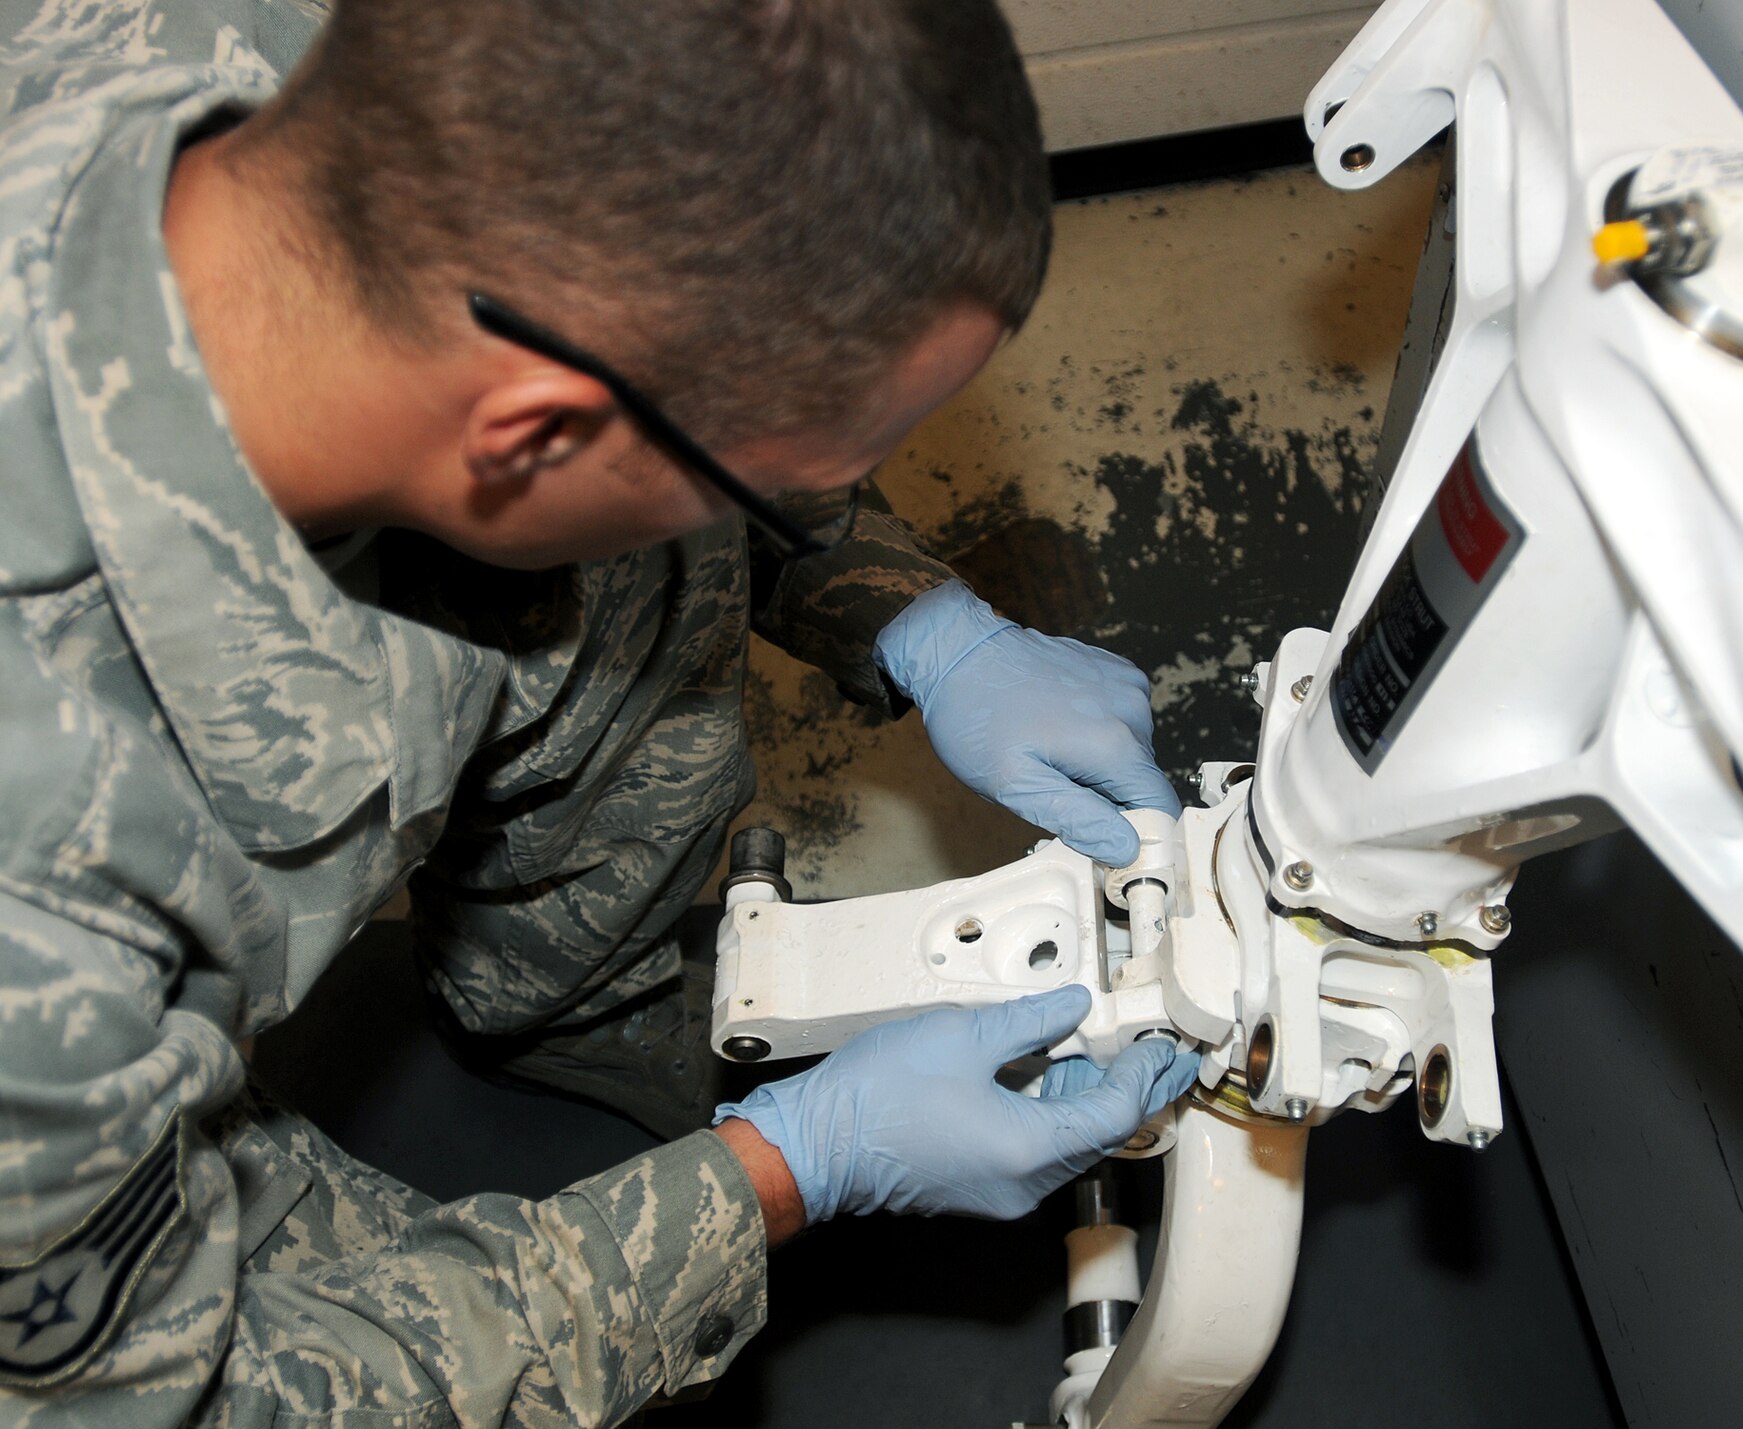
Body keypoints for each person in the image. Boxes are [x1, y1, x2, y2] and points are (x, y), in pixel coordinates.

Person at [0, 0, 1199, 1423]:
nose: (814, 499)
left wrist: (919, 616)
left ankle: (573, 1006)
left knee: (638, 545)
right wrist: (786, 1174)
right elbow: (193, 1403)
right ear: (532, 430)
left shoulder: (278, 65)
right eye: (792, 477)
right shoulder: (42, 931)